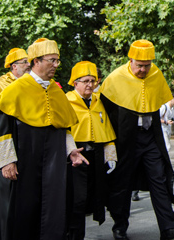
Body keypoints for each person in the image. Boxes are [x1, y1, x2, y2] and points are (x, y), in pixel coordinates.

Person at [0, 38, 88, 240]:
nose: (55, 65)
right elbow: (1, 130)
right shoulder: (15, 89)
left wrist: (71, 150)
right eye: (52, 60)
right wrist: (7, 161)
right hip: (23, 160)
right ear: (36, 61)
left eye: (57, 61)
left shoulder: (56, 91)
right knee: (22, 209)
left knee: (52, 206)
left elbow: (63, 126)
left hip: (52, 162)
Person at [99, 39, 174, 240]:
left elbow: (160, 102)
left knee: (159, 179)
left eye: (147, 66)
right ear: (130, 60)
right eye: (139, 66)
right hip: (125, 137)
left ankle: (168, 228)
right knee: (123, 182)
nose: (143, 70)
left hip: (150, 137)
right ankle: (119, 227)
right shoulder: (115, 78)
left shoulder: (155, 74)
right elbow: (105, 111)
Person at [65, 61, 118, 240]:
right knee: (75, 200)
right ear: (75, 83)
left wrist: (110, 155)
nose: (90, 84)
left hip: (95, 156)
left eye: (93, 80)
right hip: (74, 156)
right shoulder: (66, 101)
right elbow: (62, 130)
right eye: (85, 80)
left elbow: (107, 131)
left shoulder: (98, 101)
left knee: (95, 196)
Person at [0, 47, 30, 226]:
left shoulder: (30, 83)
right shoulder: (0, 85)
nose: (28, 66)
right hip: (3, 134)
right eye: (25, 63)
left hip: (25, 137)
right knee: (1, 174)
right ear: (14, 66)